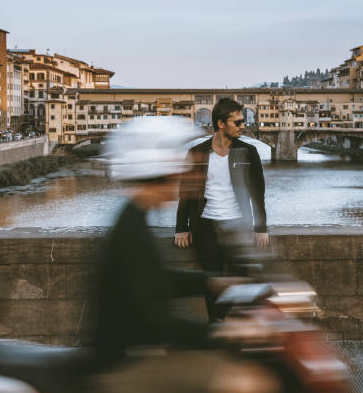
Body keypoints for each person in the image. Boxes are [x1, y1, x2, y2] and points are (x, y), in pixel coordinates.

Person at [92, 116, 279, 393]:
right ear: (160, 170)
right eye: (180, 169)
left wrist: (214, 281)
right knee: (248, 381)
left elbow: (154, 281)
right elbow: (156, 322)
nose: (187, 176)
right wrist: (225, 332)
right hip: (127, 363)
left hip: (140, 351)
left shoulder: (133, 217)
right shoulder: (131, 229)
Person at [174, 98, 269, 322]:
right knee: (213, 277)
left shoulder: (248, 152)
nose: (242, 126)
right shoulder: (197, 152)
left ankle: (219, 320)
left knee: (239, 277)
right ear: (221, 124)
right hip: (206, 224)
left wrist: (261, 227)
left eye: (242, 121)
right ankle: (216, 322)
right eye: (237, 122)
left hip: (239, 223)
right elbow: (186, 193)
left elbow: (258, 192)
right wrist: (181, 227)